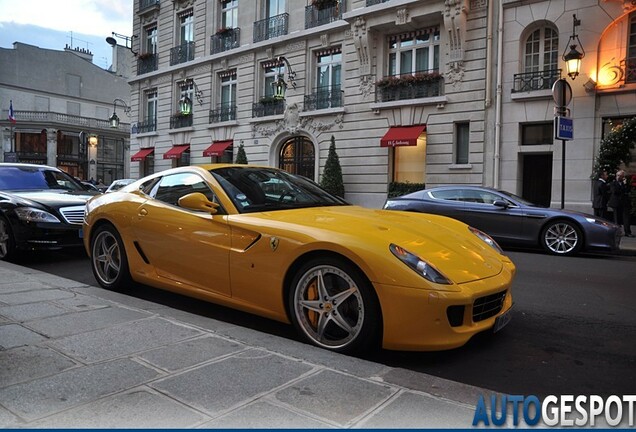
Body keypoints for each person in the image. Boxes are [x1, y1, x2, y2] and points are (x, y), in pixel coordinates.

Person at [608, 170, 633, 237]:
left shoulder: (625, 184)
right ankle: (617, 232)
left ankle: (627, 232)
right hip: (616, 203)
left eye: (620, 176)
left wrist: (625, 185)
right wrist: (623, 188)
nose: (618, 177)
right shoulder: (613, 183)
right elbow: (615, 191)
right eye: (617, 175)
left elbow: (628, 191)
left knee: (626, 218)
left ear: (623, 177)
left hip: (624, 203)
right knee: (617, 218)